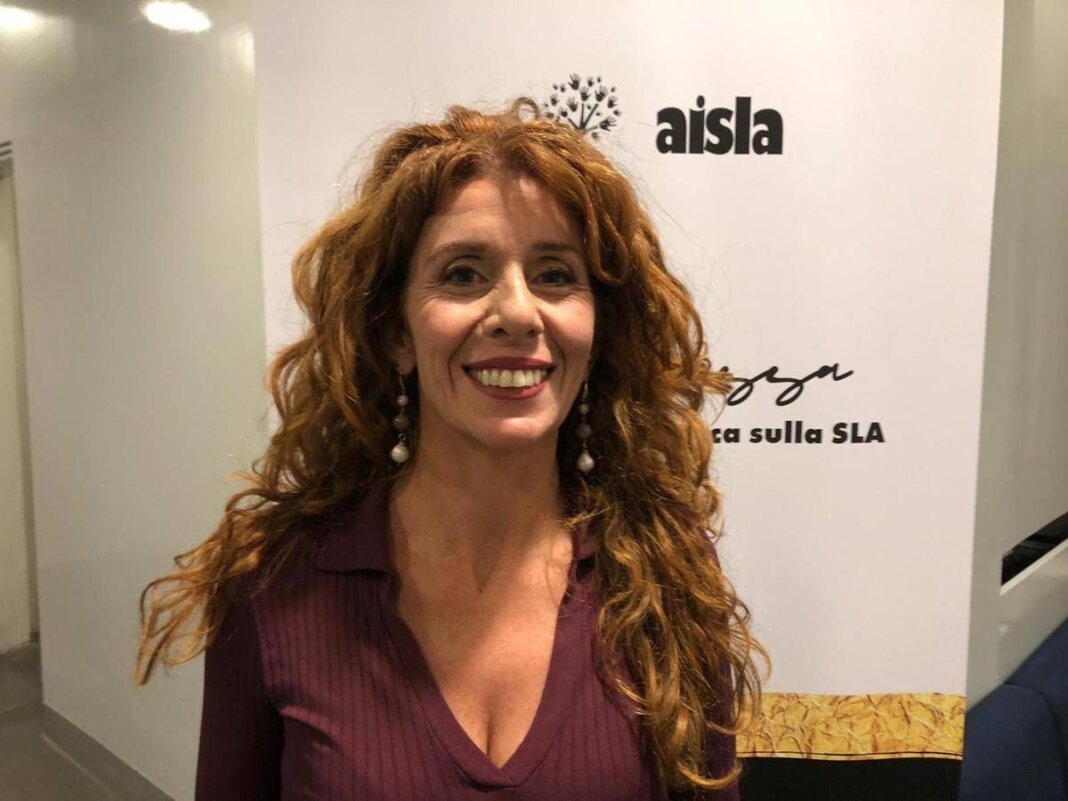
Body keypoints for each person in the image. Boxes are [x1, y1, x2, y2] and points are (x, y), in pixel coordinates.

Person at [134, 98, 769, 800]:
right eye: (464, 273)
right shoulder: (271, 582)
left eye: (556, 274)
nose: (518, 313)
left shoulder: (665, 566)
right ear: (395, 332)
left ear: (597, 329)